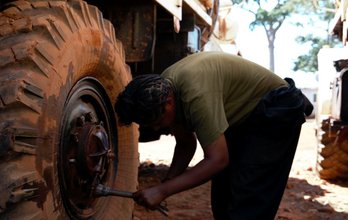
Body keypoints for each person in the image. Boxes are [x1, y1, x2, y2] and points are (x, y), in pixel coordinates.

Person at [115, 51, 313, 219]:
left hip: (276, 109)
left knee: (249, 202)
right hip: (244, 118)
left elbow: (217, 160)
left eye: (158, 122)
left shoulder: (194, 94)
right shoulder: (165, 86)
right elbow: (186, 144)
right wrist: (167, 183)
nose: (157, 128)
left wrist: (162, 191)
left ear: (168, 102)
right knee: (223, 200)